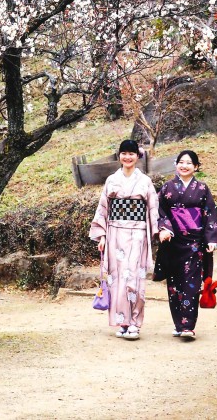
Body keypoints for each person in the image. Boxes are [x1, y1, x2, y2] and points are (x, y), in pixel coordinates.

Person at [89, 139, 159, 340]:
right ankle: (123, 321)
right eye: (124, 153)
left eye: (131, 153)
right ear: (119, 156)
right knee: (117, 278)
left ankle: (135, 323)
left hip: (137, 232)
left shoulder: (145, 181)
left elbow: (153, 208)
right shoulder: (112, 180)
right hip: (115, 232)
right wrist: (101, 235)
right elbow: (103, 208)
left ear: (138, 156)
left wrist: (157, 231)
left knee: (135, 277)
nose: (127, 157)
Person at [156, 150, 217, 339]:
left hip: (195, 244)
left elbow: (210, 213)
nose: (184, 166)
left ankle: (188, 326)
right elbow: (160, 211)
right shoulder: (167, 187)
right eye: (181, 162)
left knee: (191, 285)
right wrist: (164, 228)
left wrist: (211, 239)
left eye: (189, 163)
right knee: (174, 285)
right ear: (176, 164)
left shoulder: (202, 189)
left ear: (196, 167)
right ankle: (178, 324)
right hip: (173, 242)